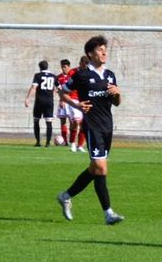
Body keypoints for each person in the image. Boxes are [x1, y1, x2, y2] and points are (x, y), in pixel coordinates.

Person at [55, 35, 124, 225]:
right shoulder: (82, 75)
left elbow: (117, 103)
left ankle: (65, 196)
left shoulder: (110, 75)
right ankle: (108, 213)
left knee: (95, 170)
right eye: (100, 50)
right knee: (101, 167)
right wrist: (76, 105)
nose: (104, 53)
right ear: (90, 54)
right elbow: (62, 92)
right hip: (92, 126)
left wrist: (118, 94)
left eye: (105, 50)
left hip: (107, 126)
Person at [24, 60, 58, 147]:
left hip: (39, 101)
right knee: (49, 122)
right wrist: (53, 94)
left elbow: (34, 87)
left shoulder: (38, 75)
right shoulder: (53, 76)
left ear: (40, 68)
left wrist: (28, 99)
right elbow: (58, 88)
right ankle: (48, 143)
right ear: (47, 66)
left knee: (36, 121)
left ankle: (38, 141)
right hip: (49, 101)